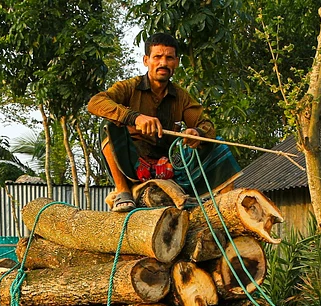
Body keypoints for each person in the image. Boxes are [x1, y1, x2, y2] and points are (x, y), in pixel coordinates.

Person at [87, 32, 241, 212]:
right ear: (146, 60)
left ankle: (226, 207)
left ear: (176, 62)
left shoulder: (181, 96)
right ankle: (123, 191)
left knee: (217, 145)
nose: (163, 63)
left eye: (169, 58)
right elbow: (95, 103)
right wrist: (135, 117)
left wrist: (196, 134)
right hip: (132, 165)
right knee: (108, 126)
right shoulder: (129, 87)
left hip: (167, 167)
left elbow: (206, 125)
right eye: (157, 57)